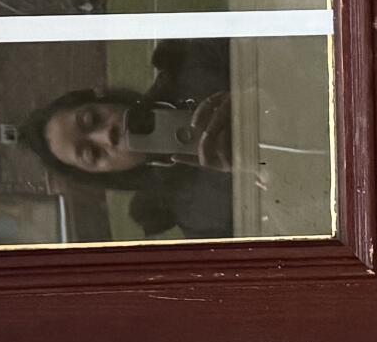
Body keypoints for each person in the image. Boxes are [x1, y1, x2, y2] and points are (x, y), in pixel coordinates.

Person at [16, 38, 236, 237]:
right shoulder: (197, 217)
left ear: (105, 100)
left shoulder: (198, 60)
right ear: (106, 175)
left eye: (93, 119)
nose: (106, 135)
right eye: (93, 152)